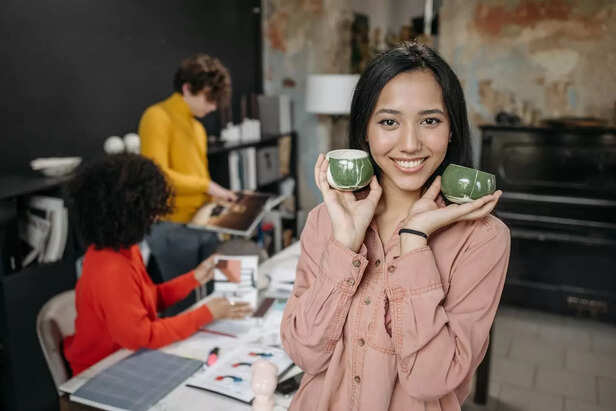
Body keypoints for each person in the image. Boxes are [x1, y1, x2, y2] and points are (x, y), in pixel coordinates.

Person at [281, 42, 510, 410]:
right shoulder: (325, 219)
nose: (409, 144)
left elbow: (430, 380)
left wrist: (415, 244)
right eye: (389, 121)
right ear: (365, 132)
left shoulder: (483, 239)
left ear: (451, 129)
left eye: (430, 121)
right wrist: (344, 246)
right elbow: (304, 353)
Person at [63, 154, 251, 376]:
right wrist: (206, 313)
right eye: (151, 209)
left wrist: (194, 278)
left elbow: (149, 301)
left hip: (124, 355)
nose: (156, 217)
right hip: (101, 370)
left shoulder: (124, 248)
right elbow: (141, 336)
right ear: (128, 212)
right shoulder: (111, 269)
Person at [138, 53, 238, 284]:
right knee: (183, 305)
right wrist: (208, 186)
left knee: (214, 297)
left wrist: (216, 201)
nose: (213, 106)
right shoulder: (157, 117)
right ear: (186, 89)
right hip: (173, 227)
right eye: (208, 99)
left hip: (203, 222)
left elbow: (197, 175)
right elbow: (157, 176)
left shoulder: (197, 127)